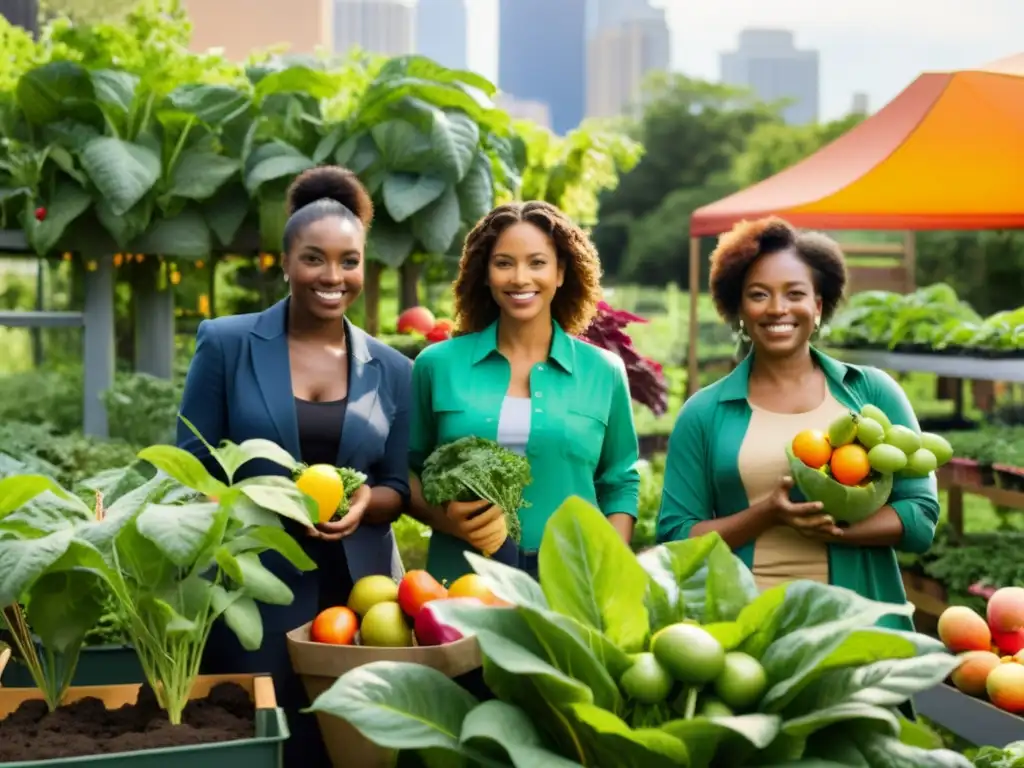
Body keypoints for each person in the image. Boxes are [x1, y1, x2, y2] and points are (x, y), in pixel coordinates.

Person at [176, 165, 411, 766]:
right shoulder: (227, 343)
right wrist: (262, 501)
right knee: (264, 743)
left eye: (349, 261)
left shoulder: (394, 367)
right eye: (314, 258)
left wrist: (365, 504)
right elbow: (189, 467)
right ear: (284, 262)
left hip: (361, 594)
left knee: (352, 748)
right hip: (254, 588)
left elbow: (395, 485)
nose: (333, 277)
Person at [655, 216, 939, 631]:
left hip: (859, 628)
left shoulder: (871, 393)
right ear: (738, 309)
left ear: (818, 305)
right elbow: (677, 539)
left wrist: (836, 531)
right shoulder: (704, 413)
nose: (777, 309)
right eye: (758, 295)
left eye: (795, 293)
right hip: (745, 635)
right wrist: (768, 514)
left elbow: (920, 518)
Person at [407, 200, 641, 584]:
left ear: (561, 272)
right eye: (503, 263)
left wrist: (609, 567)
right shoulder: (436, 365)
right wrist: (446, 520)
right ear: (484, 273)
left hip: (572, 580)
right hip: (464, 579)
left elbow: (620, 482)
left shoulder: (603, 372)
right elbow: (405, 468)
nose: (520, 278)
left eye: (537, 262)